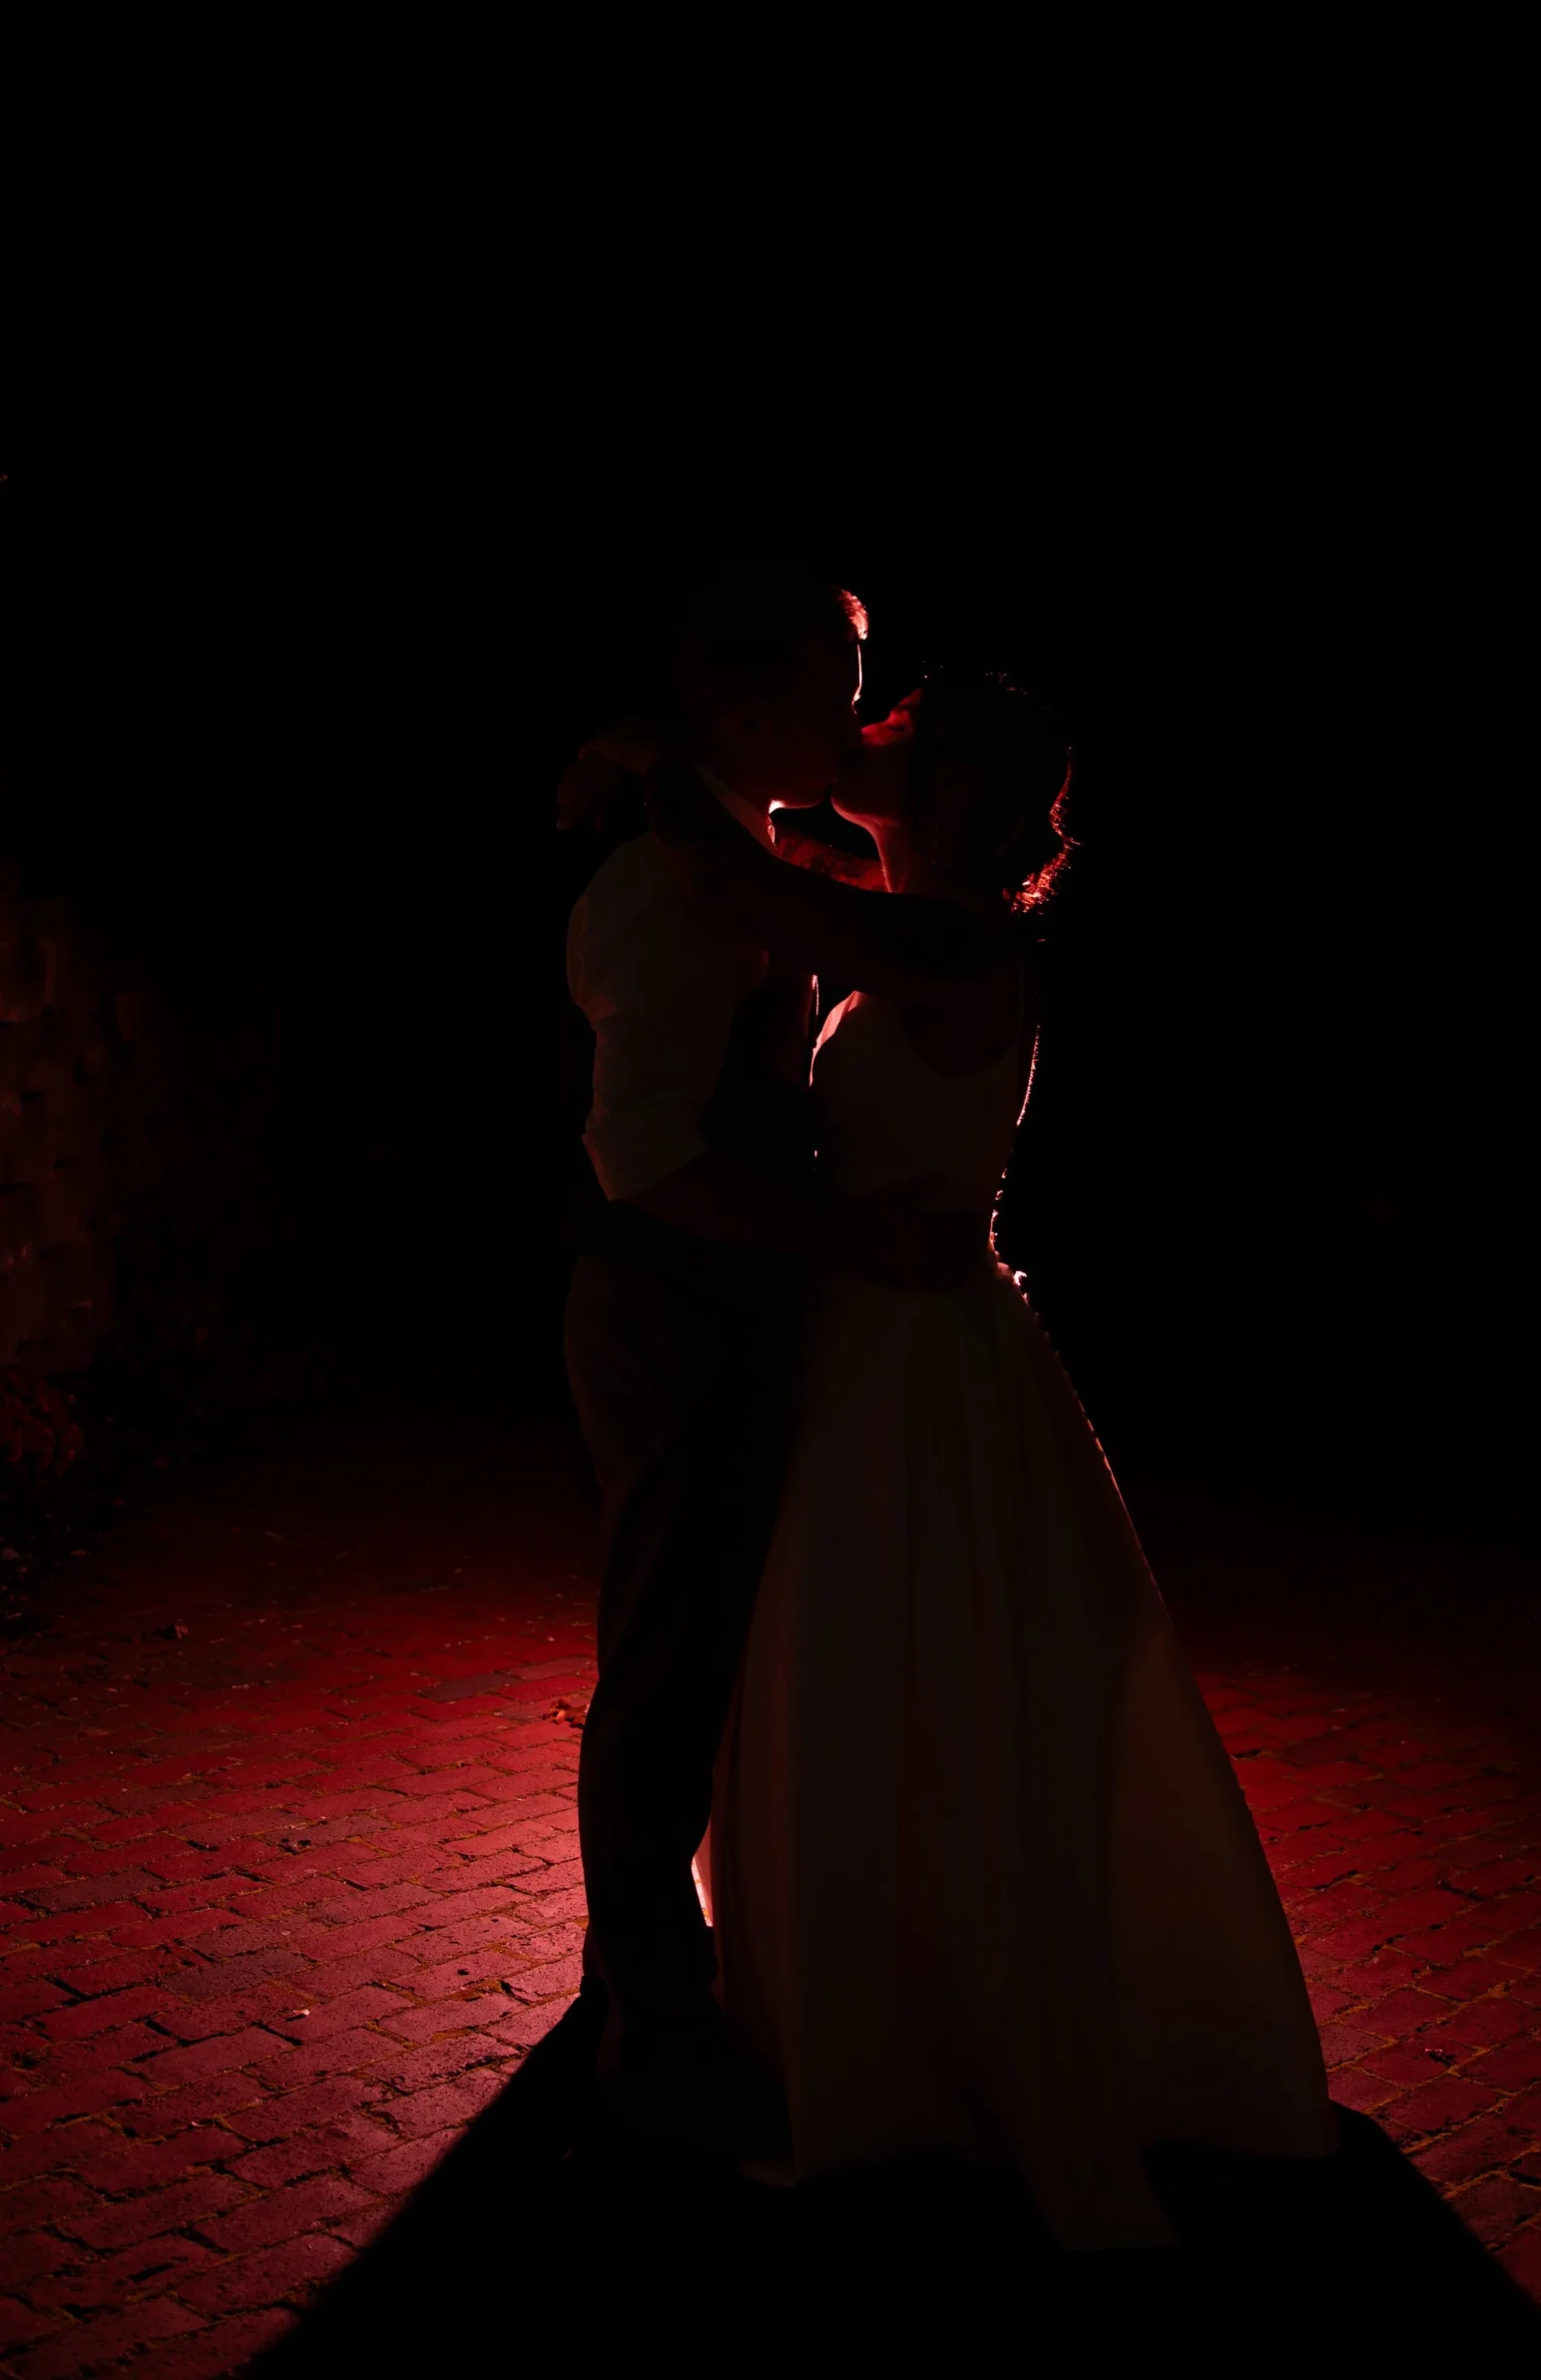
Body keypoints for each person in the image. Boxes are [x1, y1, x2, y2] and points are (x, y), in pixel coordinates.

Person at [584, 670, 1338, 2248]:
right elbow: (778, 876)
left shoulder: (957, 942)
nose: (857, 724)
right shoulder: (911, 912)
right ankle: (868, 1991)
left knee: (909, 1653)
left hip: (917, 1347)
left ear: (949, 788)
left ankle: (930, 2022)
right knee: (870, 1659)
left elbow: (733, 886)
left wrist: (658, 764)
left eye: (892, 720)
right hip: (871, 1328)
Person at [560, 559, 985, 2161]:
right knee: (665, 1662)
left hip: (741, 1307)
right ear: (750, 715)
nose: (857, 723)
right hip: (675, 1308)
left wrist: (655, 767)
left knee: (711, 1650)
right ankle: (649, 2015)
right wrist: (847, 1241)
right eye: (836, 694)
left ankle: (665, 1976)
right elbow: (642, 1160)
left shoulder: (746, 859)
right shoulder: (674, 888)